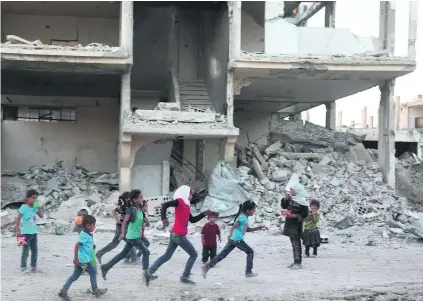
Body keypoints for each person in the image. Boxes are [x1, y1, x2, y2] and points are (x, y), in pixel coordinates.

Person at [143, 185, 212, 286]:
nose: (191, 196)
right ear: (185, 193)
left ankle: (148, 272)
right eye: (190, 194)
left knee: (167, 256)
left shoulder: (186, 205)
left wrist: (203, 214)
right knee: (193, 255)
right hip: (179, 235)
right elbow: (165, 205)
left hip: (175, 234)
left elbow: (192, 220)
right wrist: (163, 218)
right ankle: (185, 276)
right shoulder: (179, 201)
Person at [201, 201, 264, 279]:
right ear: (248, 210)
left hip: (234, 239)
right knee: (250, 251)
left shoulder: (244, 217)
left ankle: (206, 267)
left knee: (222, 255)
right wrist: (230, 236)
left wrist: (257, 228)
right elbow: (234, 226)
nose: (254, 211)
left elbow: (246, 229)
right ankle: (248, 272)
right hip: (237, 239)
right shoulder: (242, 217)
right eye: (253, 209)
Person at [100, 189, 150, 280]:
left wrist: (146, 222)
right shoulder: (131, 209)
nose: (143, 199)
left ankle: (106, 267)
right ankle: (146, 274)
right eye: (141, 197)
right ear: (135, 200)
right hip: (131, 236)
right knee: (146, 251)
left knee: (123, 254)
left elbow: (144, 221)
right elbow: (124, 222)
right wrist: (122, 233)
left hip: (135, 235)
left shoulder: (140, 210)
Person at [58, 215, 107, 300]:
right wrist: (75, 258)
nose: (94, 227)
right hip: (83, 260)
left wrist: (92, 246)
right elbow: (77, 245)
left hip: (84, 259)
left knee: (76, 275)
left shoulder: (88, 234)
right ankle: (95, 289)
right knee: (92, 271)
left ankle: (63, 290)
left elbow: (86, 244)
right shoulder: (84, 234)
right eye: (93, 225)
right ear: (88, 226)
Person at [96, 192, 137, 265]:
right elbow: (114, 211)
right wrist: (117, 219)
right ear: (127, 199)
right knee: (130, 241)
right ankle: (133, 259)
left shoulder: (129, 206)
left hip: (125, 227)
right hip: (121, 227)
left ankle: (129, 259)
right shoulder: (124, 206)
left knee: (118, 243)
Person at [280, 183, 310, 270]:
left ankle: (298, 262)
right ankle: (295, 261)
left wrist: (295, 216)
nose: (290, 191)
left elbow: (305, 215)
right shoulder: (291, 199)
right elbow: (284, 206)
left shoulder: (303, 203)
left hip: (296, 225)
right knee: (293, 243)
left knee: (296, 243)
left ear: (297, 191)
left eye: (292, 189)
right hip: (289, 224)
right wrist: (285, 199)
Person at [16, 189, 44, 273]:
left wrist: (39, 207)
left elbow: (41, 216)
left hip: (34, 233)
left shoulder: (35, 207)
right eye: (33, 198)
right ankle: (23, 266)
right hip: (25, 233)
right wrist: (17, 230)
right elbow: (18, 219)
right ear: (27, 198)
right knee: (25, 251)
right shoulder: (23, 207)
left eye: (36, 198)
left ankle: (33, 266)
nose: (34, 199)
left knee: (35, 251)